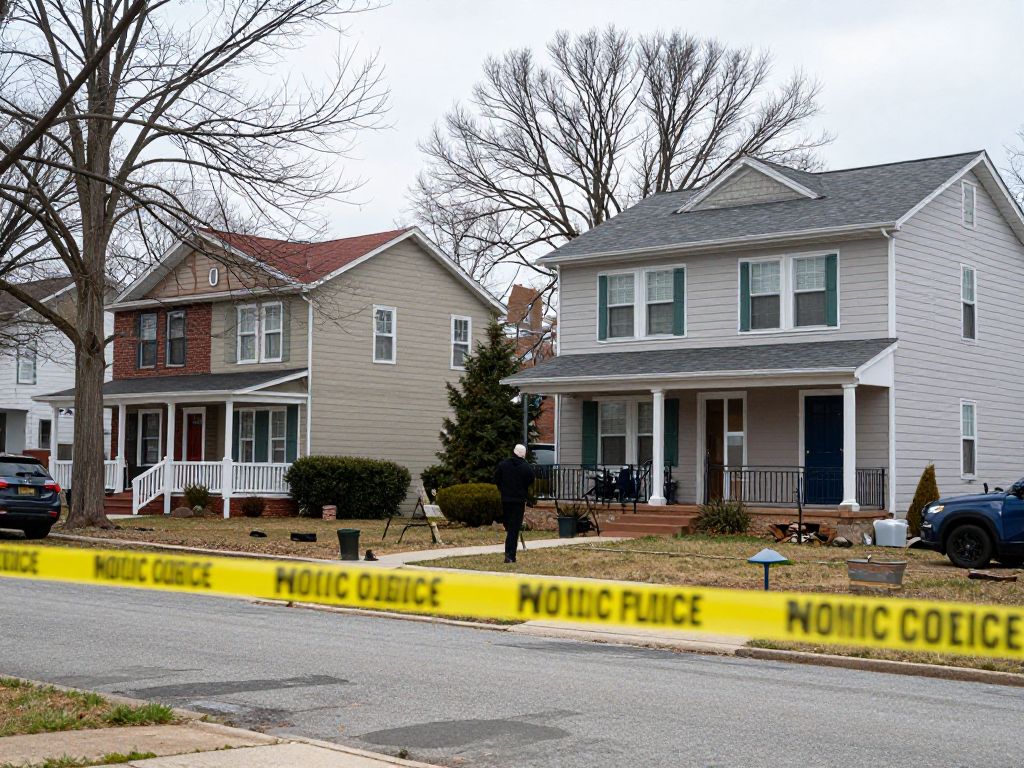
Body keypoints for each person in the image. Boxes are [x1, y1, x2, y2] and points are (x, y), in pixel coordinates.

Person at [494, 444, 535, 563]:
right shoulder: (526, 467)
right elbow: (531, 479)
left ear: (514, 452)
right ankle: (510, 556)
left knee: (508, 526)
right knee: (514, 529)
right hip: (518, 501)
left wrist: (502, 489)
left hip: (505, 500)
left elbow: (496, 478)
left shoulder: (503, 465)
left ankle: (509, 554)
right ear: (524, 454)